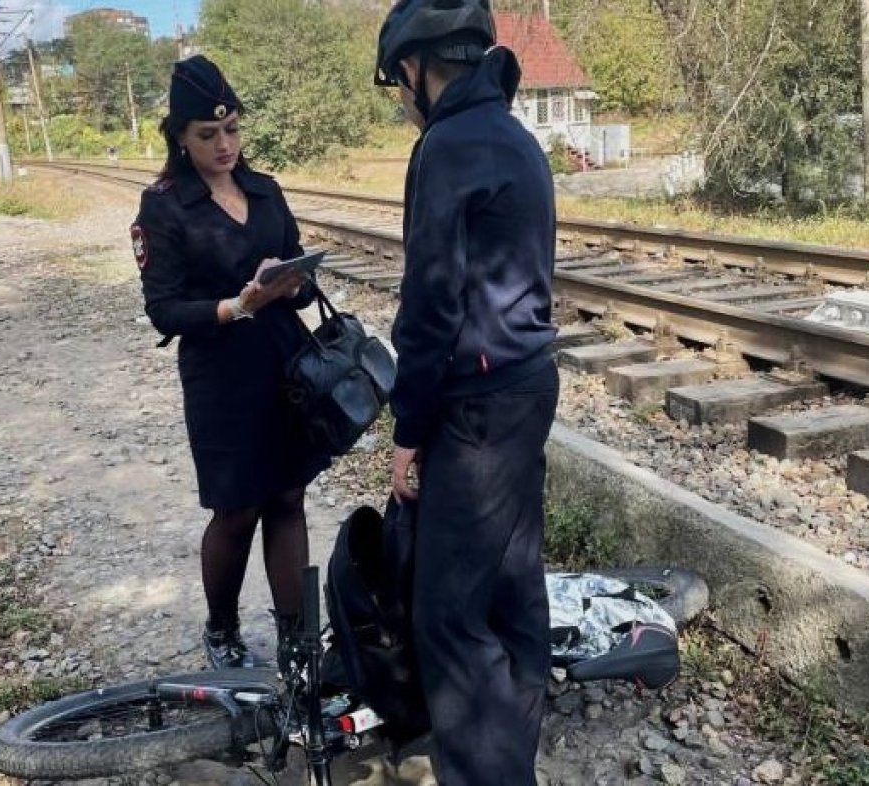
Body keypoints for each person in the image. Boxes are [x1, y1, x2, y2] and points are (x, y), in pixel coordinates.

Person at [375, 1, 561, 784]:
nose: (401, 99)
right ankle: (513, 755)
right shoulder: (516, 137)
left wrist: (407, 430)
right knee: (514, 585)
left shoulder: (445, 146)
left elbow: (430, 309)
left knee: (447, 616)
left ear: (416, 69)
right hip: (526, 386)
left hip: (473, 407)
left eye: (397, 84)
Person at [130, 55, 328, 670]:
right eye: (208, 135)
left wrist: (293, 283)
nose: (224, 145)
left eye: (232, 130)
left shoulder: (265, 190)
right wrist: (235, 306)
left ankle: (297, 639)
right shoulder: (163, 206)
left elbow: (295, 261)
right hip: (220, 374)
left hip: (285, 363)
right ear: (180, 138)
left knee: (289, 496)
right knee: (237, 506)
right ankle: (222, 628)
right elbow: (164, 310)